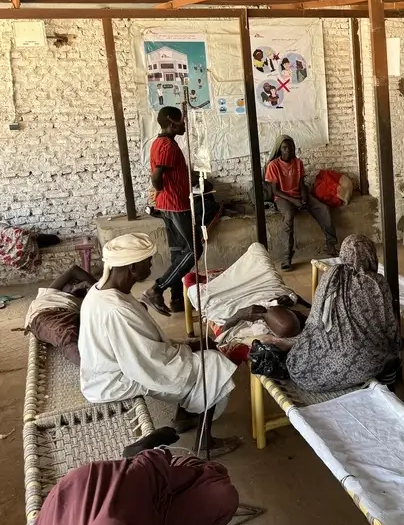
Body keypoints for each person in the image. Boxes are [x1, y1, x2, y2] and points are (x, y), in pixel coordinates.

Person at [79, 234, 240, 456]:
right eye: (149, 262)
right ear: (133, 267)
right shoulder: (116, 309)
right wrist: (190, 349)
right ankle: (204, 442)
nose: (152, 265)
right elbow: (150, 362)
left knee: (199, 352)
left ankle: (184, 417)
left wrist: (186, 345)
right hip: (114, 381)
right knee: (212, 362)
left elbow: (145, 346)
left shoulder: (101, 291)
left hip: (109, 371)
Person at [22, 428, 239, 525]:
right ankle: (146, 459)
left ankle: (147, 459)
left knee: (210, 481)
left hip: (102, 498)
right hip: (93, 505)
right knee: (220, 497)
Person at [262, 235, 402, 393]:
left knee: (310, 347)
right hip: (368, 362)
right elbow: (390, 326)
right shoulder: (377, 283)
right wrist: (396, 346)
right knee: (393, 350)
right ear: (371, 255)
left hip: (314, 378)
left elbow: (316, 322)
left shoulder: (331, 276)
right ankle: (388, 386)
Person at [142, 106, 200, 316]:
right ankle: (157, 289)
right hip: (175, 205)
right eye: (181, 121)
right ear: (171, 122)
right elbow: (157, 177)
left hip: (168, 204)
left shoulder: (161, 143)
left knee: (178, 252)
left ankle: (177, 299)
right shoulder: (166, 145)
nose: (184, 124)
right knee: (194, 251)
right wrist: (162, 191)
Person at [264, 135, 339, 271]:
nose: (288, 150)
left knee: (323, 209)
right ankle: (286, 258)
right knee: (288, 217)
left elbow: (301, 184)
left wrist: (304, 197)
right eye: (285, 148)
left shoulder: (298, 163)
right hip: (283, 198)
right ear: (279, 150)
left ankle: (331, 244)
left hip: (298, 195)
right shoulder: (273, 165)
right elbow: (275, 191)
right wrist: (294, 201)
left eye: (291, 147)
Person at [21, 265, 96, 364]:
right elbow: (74, 270)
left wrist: (94, 289)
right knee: (66, 336)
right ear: (62, 286)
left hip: (72, 315)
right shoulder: (51, 292)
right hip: (48, 314)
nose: (75, 285)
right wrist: (96, 284)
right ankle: (90, 368)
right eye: (71, 282)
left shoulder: (80, 301)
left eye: (78, 284)